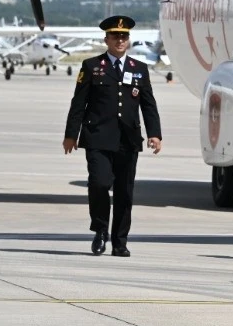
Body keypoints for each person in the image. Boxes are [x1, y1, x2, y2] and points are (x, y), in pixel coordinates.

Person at [63, 15, 162, 257]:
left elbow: (148, 105)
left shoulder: (139, 69)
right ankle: (100, 230)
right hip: (98, 137)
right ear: (106, 39)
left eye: (124, 36)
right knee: (99, 183)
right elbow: (79, 104)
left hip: (128, 140)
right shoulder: (92, 66)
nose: (120, 40)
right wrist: (71, 134)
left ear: (128, 40)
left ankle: (120, 241)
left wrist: (154, 134)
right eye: (115, 36)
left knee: (124, 192)